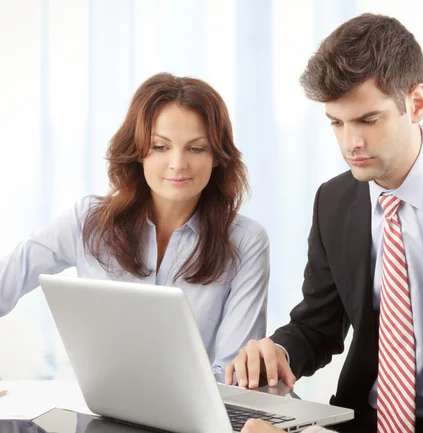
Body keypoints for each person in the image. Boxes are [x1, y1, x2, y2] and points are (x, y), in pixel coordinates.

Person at [230, 13, 423, 433]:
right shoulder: (333, 201)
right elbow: (318, 323)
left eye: (368, 120)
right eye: (337, 122)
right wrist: (277, 351)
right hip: (364, 420)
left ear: (417, 104)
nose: (351, 142)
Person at [0, 73, 270, 381]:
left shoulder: (246, 242)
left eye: (196, 148)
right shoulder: (88, 221)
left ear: (217, 156)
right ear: (138, 150)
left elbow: (233, 373)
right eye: (159, 146)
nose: (178, 164)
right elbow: (6, 281)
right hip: (101, 413)